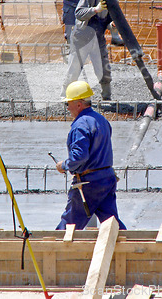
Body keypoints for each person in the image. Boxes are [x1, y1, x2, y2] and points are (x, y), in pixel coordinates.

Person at [55, 80, 126, 230]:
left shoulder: (80, 125)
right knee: (112, 223)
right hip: (106, 179)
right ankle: (132, 249)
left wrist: (64, 165)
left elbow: (79, 157)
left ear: (79, 104)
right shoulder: (101, 120)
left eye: (69, 103)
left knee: (69, 225)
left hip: (89, 184)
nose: (67, 107)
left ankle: (51, 251)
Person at [60, 0, 125, 101]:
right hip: (81, 38)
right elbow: (78, 14)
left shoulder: (114, 2)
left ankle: (106, 98)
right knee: (74, 69)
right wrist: (95, 9)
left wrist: (111, 26)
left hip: (98, 40)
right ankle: (65, 97)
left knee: (104, 71)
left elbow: (106, 22)